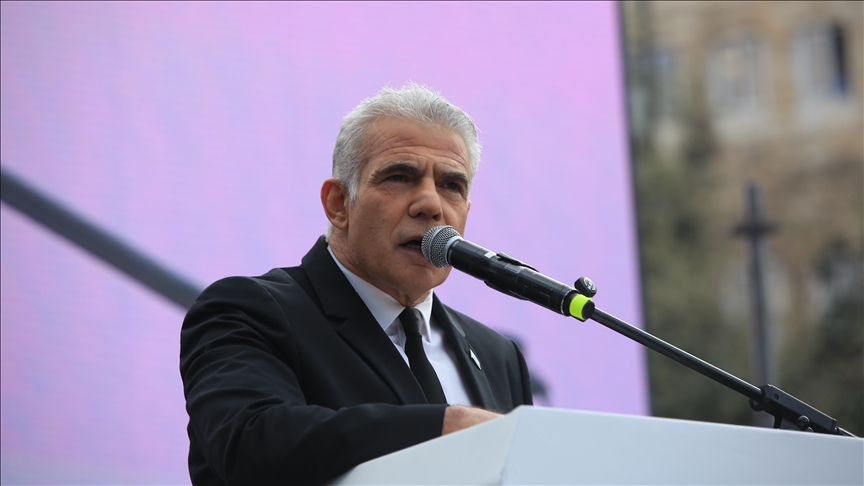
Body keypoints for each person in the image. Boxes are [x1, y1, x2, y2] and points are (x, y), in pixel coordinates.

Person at [180, 83, 533, 485]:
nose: (431, 204)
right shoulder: (248, 310)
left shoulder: (498, 354)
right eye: (400, 177)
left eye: (452, 185)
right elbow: (251, 441)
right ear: (338, 204)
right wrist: (444, 427)